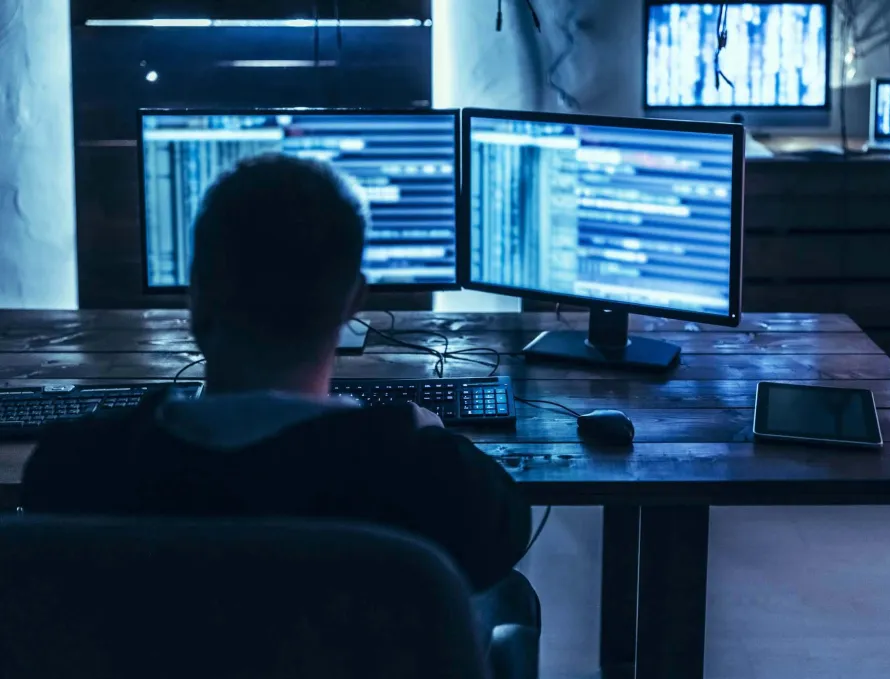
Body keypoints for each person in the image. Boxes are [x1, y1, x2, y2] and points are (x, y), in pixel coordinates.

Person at [20, 154, 540, 663]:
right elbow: (506, 535)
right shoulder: (430, 478)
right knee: (511, 597)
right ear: (352, 302)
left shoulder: (72, 467)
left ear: (196, 297)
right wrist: (423, 433)